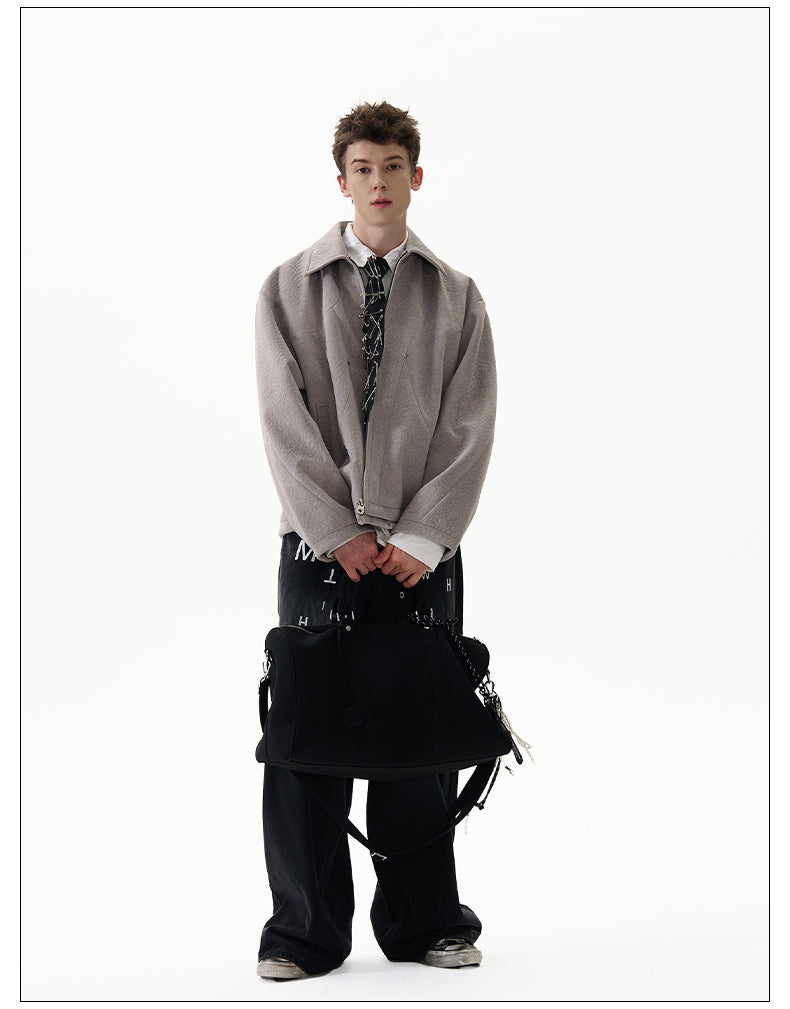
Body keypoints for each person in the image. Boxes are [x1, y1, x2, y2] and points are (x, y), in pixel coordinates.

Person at [254, 101, 497, 980]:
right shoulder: (288, 287)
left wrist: (425, 534)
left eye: (393, 167)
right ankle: (303, 934)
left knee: (420, 738)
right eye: (363, 168)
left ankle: (428, 922)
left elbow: (469, 425)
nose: (379, 182)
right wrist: (335, 532)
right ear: (342, 180)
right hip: (319, 552)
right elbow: (283, 423)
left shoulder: (456, 295)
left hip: (422, 553)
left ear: (415, 177)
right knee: (306, 739)